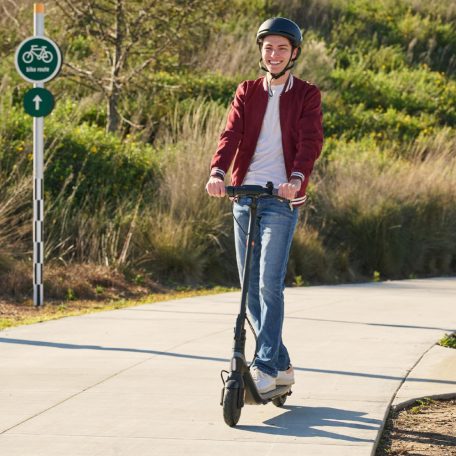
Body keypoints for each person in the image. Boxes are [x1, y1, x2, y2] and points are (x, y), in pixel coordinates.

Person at [205, 17, 323, 393]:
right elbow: (232, 134)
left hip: (281, 200)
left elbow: (310, 141)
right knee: (248, 288)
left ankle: (267, 366)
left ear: (294, 55)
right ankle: (282, 363)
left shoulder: (306, 94)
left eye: (282, 49)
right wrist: (218, 173)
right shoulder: (247, 91)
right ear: (261, 51)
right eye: (268, 47)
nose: (274, 54)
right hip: (244, 196)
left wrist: (297, 179)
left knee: (270, 284)